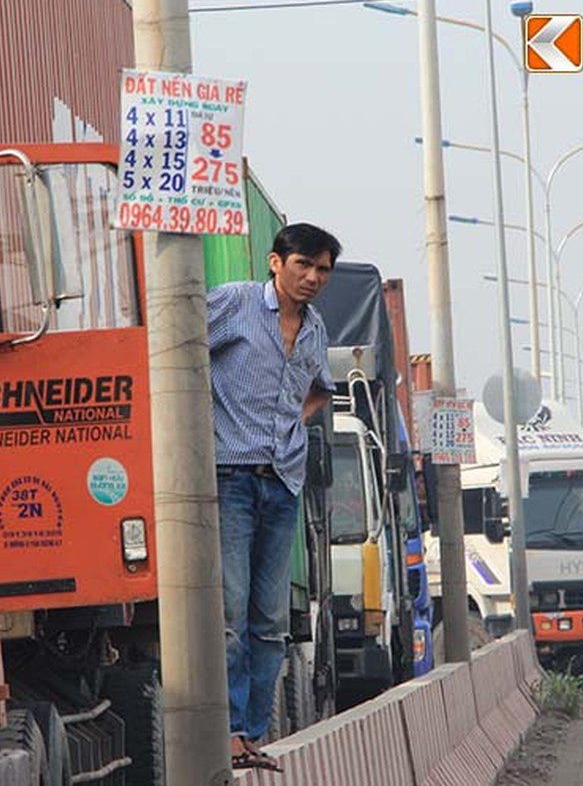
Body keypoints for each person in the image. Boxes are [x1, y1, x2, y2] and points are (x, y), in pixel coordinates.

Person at [207, 222, 341, 771]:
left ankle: (252, 734)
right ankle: (231, 731)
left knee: (270, 623)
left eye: (322, 270)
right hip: (230, 476)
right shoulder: (235, 305)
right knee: (232, 615)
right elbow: (171, 350)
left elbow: (319, 391)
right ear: (275, 262)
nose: (312, 278)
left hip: (283, 482)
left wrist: (290, 425)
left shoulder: (314, 331)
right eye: (303, 265)